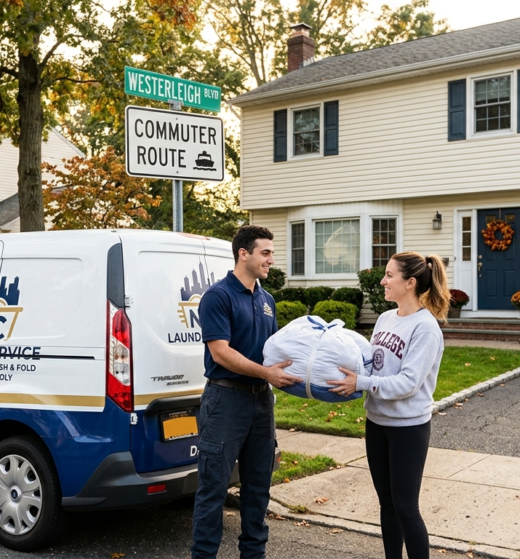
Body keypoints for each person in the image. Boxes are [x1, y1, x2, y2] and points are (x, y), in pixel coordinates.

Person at [327, 251, 449, 559]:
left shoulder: (425, 328)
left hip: (408, 428)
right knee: (387, 505)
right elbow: (372, 367)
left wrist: (362, 383)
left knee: (406, 508)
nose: (383, 280)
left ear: (409, 283)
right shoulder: (384, 318)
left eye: (389, 275)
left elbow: (408, 383)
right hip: (377, 423)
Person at [191, 225, 302, 559]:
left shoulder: (266, 300)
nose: (271, 259)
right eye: (265, 252)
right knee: (213, 489)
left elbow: (273, 351)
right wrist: (266, 373)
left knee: (258, 489)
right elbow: (220, 352)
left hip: (261, 402)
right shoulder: (218, 296)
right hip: (225, 401)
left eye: (271, 252)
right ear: (244, 253)